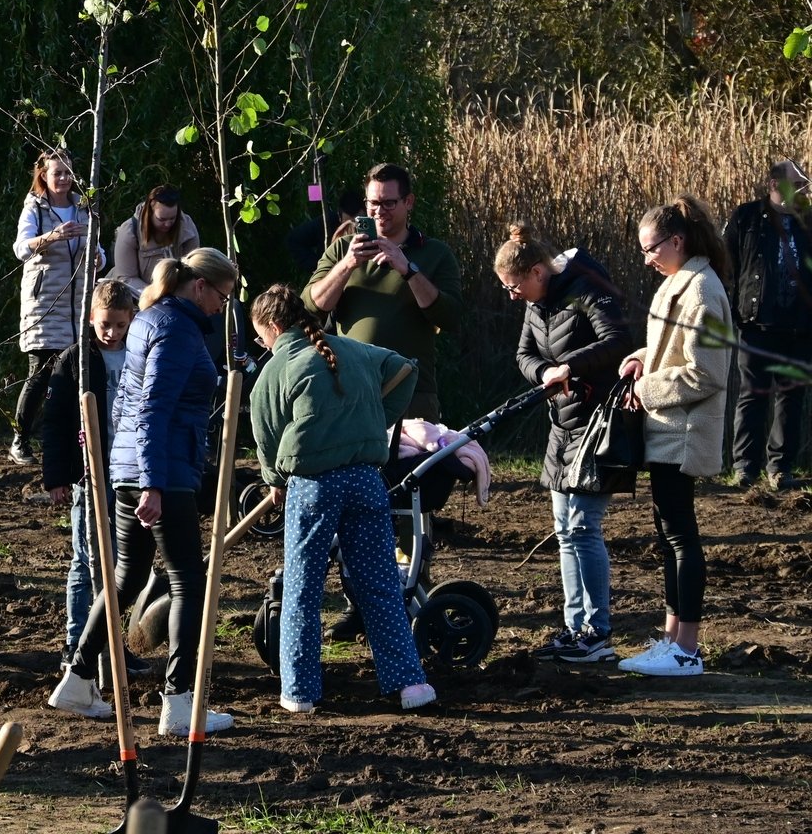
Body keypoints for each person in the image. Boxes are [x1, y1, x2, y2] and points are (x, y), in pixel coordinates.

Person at [49, 249, 239, 737]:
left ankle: (77, 679)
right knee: (186, 582)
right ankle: (179, 702)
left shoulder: (149, 320)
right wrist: (153, 482)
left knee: (128, 577)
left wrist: (128, 473)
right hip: (164, 472)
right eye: (223, 295)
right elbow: (153, 407)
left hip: (132, 469)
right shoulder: (177, 331)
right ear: (199, 287)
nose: (224, 305)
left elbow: (127, 407)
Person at [245, 283, 437, 714]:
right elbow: (405, 369)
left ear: (274, 327)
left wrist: (275, 478)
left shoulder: (275, 371)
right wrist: (374, 421)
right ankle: (410, 685)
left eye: (261, 336)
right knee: (381, 585)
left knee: (302, 590)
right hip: (367, 480)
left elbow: (265, 433)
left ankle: (300, 693)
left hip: (314, 487)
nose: (263, 344)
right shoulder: (354, 349)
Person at [496, 222, 633, 662]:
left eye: (515, 286)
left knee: (582, 527)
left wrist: (568, 367)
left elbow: (618, 341)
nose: (511, 295)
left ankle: (597, 632)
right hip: (561, 425)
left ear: (538, 271)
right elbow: (523, 355)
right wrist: (545, 375)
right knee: (564, 530)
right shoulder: (535, 304)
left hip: (597, 423)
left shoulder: (587, 289)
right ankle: (576, 629)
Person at [616, 197, 732, 677]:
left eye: (651, 248)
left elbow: (708, 373)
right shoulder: (675, 284)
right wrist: (642, 355)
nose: (647, 258)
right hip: (665, 429)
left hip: (682, 433)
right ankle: (670, 639)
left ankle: (687, 649)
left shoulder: (704, 290)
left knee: (682, 537)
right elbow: (672, 349)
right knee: (668, 538)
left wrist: (644, 387)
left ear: (678, 241)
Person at [305, 163, 463, 422]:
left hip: (411, 392)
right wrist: (347, 265)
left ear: (408, 202)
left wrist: (408, 270)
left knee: (411, 464)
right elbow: (310, 308)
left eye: (389, 203)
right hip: (351, 388)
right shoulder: (342, 249)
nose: (379, 212)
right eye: (373, 203)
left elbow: (451, 317)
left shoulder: (436, 254)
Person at [40, 279, 138, 667]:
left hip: (127, 471)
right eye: (104, 325)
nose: (112, 333)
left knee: (120, 562)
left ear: (132, 318)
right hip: (90, 473)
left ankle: (111, 642)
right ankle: (76, 641)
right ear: (90, 319)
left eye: (120, 325)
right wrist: (57, 476)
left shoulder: (137, 355)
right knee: (86, 559)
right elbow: (56, 421)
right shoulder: (76, 360)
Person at [722, 160, 812, 489]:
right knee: (752, 394)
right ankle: (745, 468)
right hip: (756, 324)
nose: (803, 190)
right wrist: (731, 308)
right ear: (775, 184)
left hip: (801, 327)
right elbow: (726, 264)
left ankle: (780, 469)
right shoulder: (746, 217)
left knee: (791, 397)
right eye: (797, 184)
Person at [11, 151, 104, 467]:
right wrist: (52, 236)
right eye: (57, 173)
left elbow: (100, 251)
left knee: (78, 373)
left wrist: (97, 259)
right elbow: (21, 249)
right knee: (40, 373)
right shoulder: (34, 208)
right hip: (45, 303)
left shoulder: (83, 208)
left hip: (79, 303)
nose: (64, 179)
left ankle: (77, 440)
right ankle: (20, 439)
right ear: (44, 176)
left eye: (68, 172)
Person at [106, 186, 201, 295]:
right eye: (162, 219)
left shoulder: (187, 227)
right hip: (135, 297)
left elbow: (192, 270)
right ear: (150, 212)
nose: (168, 224)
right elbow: (126, 278)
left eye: (172, 218)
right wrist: (157, 295)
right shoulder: (129, 231)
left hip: (174, 296)